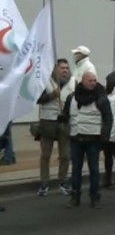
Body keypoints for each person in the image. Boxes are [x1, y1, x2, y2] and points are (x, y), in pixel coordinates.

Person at [62, 71, 112, 208]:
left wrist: (104, 138)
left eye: (95, 80)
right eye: (90, 80)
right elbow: (66, 116)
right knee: (76, 170)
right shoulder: (71, 97)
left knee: (94, 170)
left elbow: (108, 119)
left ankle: (95, 198)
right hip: (76, 139)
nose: (93, 83)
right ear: (82, 81)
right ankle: (75, 197)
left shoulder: (101, 98)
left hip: (93, 141)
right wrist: (63, 120)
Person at [36, 59, 75, 196]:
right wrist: (53, 95)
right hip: (48, 122)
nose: (65, 70)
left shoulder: (72, 82)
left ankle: (63, 181)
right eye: (62, 68)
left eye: (66, 68)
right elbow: (38, 99)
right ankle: (44, 183)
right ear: (55, 69)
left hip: (64, 122)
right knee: (46, 154)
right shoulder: (46, 81)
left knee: (65, 155)